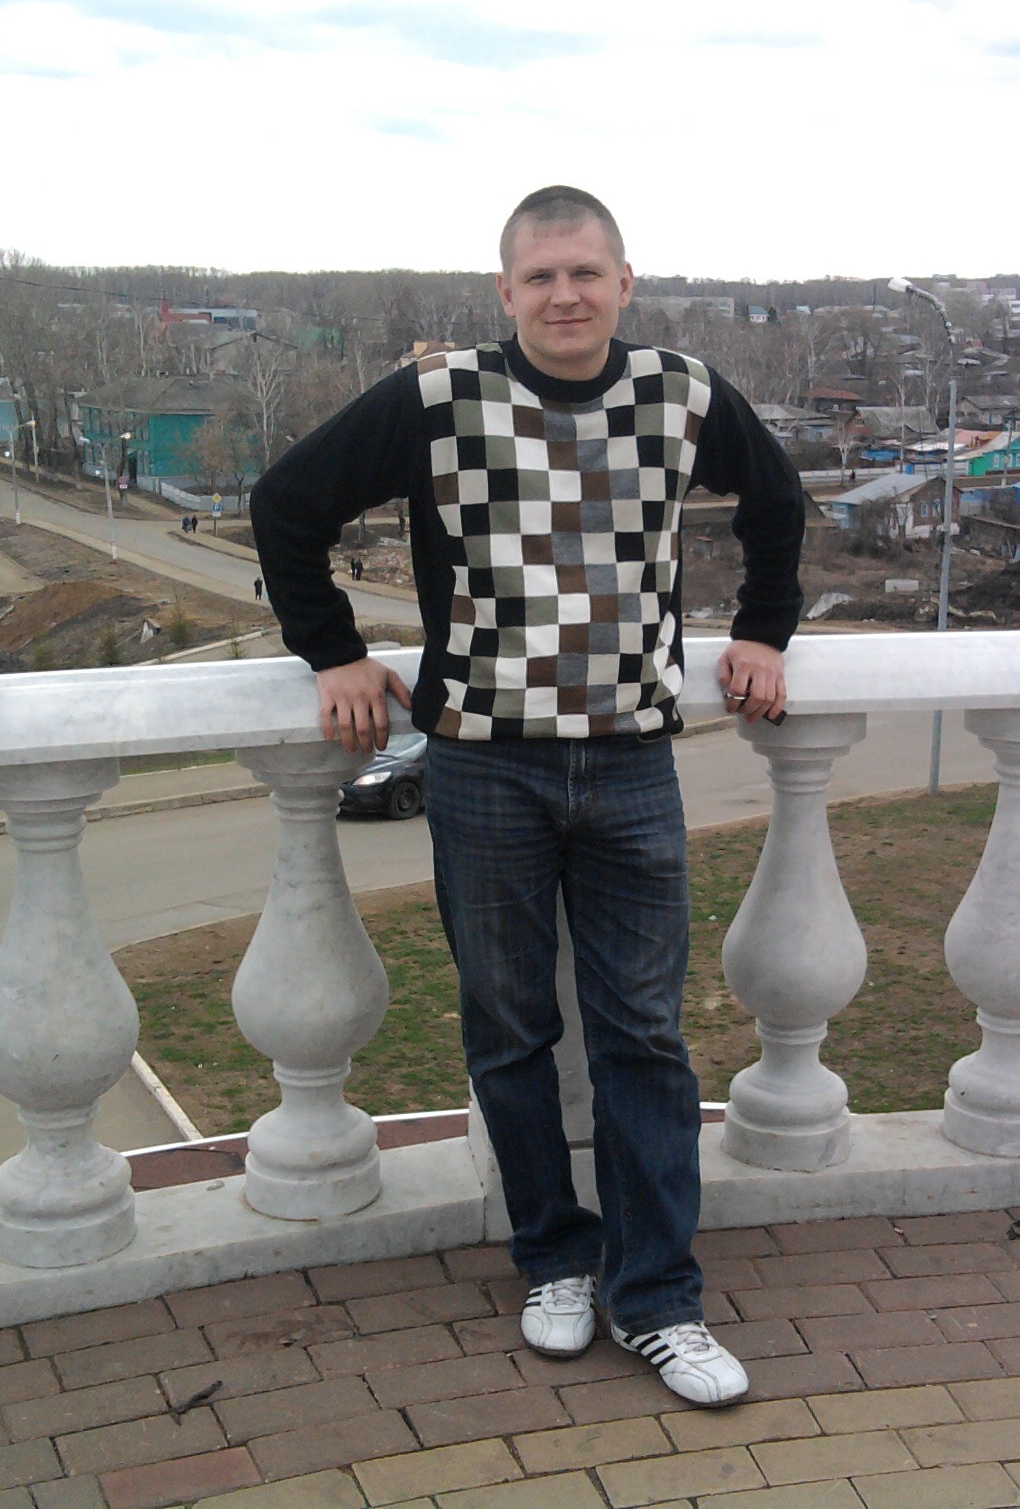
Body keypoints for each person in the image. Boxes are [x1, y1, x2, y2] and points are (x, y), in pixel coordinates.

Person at [253, 185, 804, 1408]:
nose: (564, 295)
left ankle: (656, 1296)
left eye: (585, 273)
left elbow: (777, 507)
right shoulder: (436, 399)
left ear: (623, 283)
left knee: (643, 1036)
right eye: (540, 277)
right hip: (482, 760)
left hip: (631, 759)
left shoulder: (681, 393)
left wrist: (764, 630)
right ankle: (554, 1259)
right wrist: (332, 652)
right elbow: (285, 506)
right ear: (504, 293)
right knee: (508, 1029)